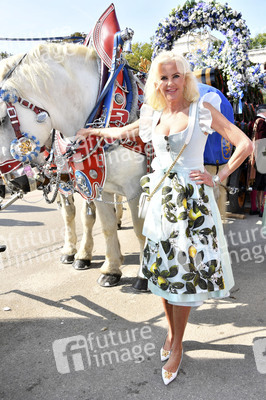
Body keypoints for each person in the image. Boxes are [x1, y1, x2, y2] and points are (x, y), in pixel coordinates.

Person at [76, 49, 253, 385]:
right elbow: (124, 132)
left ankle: (178, 345)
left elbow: (243, 143)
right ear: (155, 83)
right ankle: (171, 333)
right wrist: (97, 134)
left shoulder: (203, 109)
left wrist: (218, 177)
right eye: (164, 77)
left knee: (184, 277)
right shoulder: (153, 114)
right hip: (159, 205)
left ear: (185, 79)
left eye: (176, 76)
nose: (170, 83)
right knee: (161, 273)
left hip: (192, 208)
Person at [248, 104, 266, 217]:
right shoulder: (263, 123)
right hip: (262, 156)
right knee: (263, 184)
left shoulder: (251, 122)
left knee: (254, 183)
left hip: (253, 155)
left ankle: (254, 208)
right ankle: (262, 209)